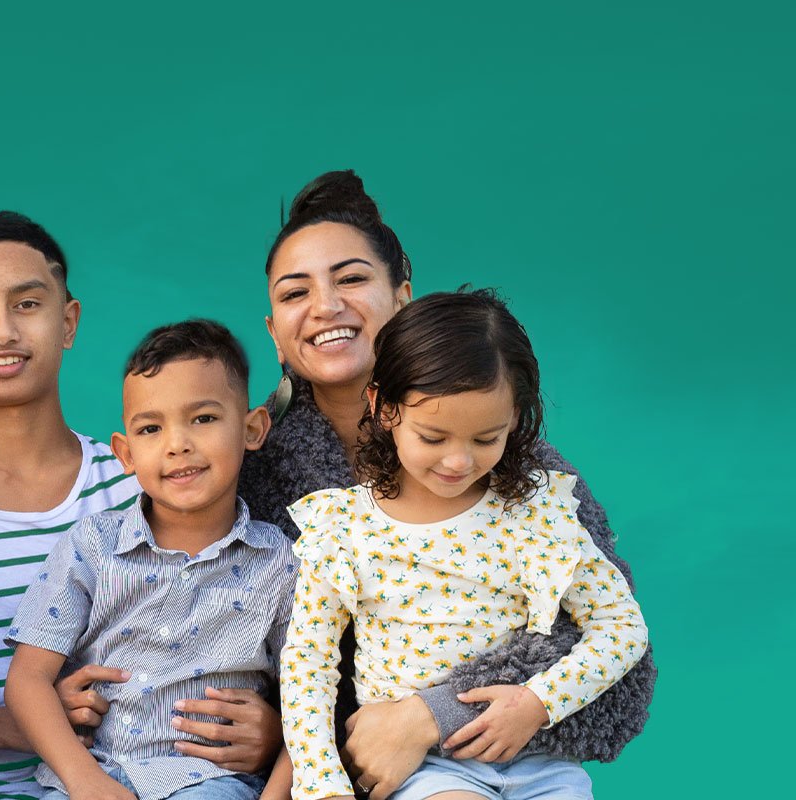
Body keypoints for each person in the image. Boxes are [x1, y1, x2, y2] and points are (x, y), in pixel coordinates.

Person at [233, 171, 653, 795]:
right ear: (274, 332)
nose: (325, 307)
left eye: (351, 278)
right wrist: (293, 742)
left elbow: (621, 664)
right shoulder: (264, 476)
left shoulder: (523, 476)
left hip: (497, 758)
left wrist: (433, 715)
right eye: (296, 293)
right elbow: (269, 647)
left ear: (404, 298)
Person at [0, 214, 279, 800]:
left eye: (27, 303)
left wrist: (272, 733)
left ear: (67, 321)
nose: (2, 331)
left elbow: (254, 641)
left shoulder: (149, 487)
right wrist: (7, 726)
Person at [2, 319, 295, 800]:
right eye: (151, 428)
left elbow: (310, 698)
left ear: (252, 429)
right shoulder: (94, 546)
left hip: (209, 783)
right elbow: (27, 679)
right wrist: (86, 782)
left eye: (203, 418)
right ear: (126, 452)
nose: (177, 443)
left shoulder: (280, 563)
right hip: (88, 777)